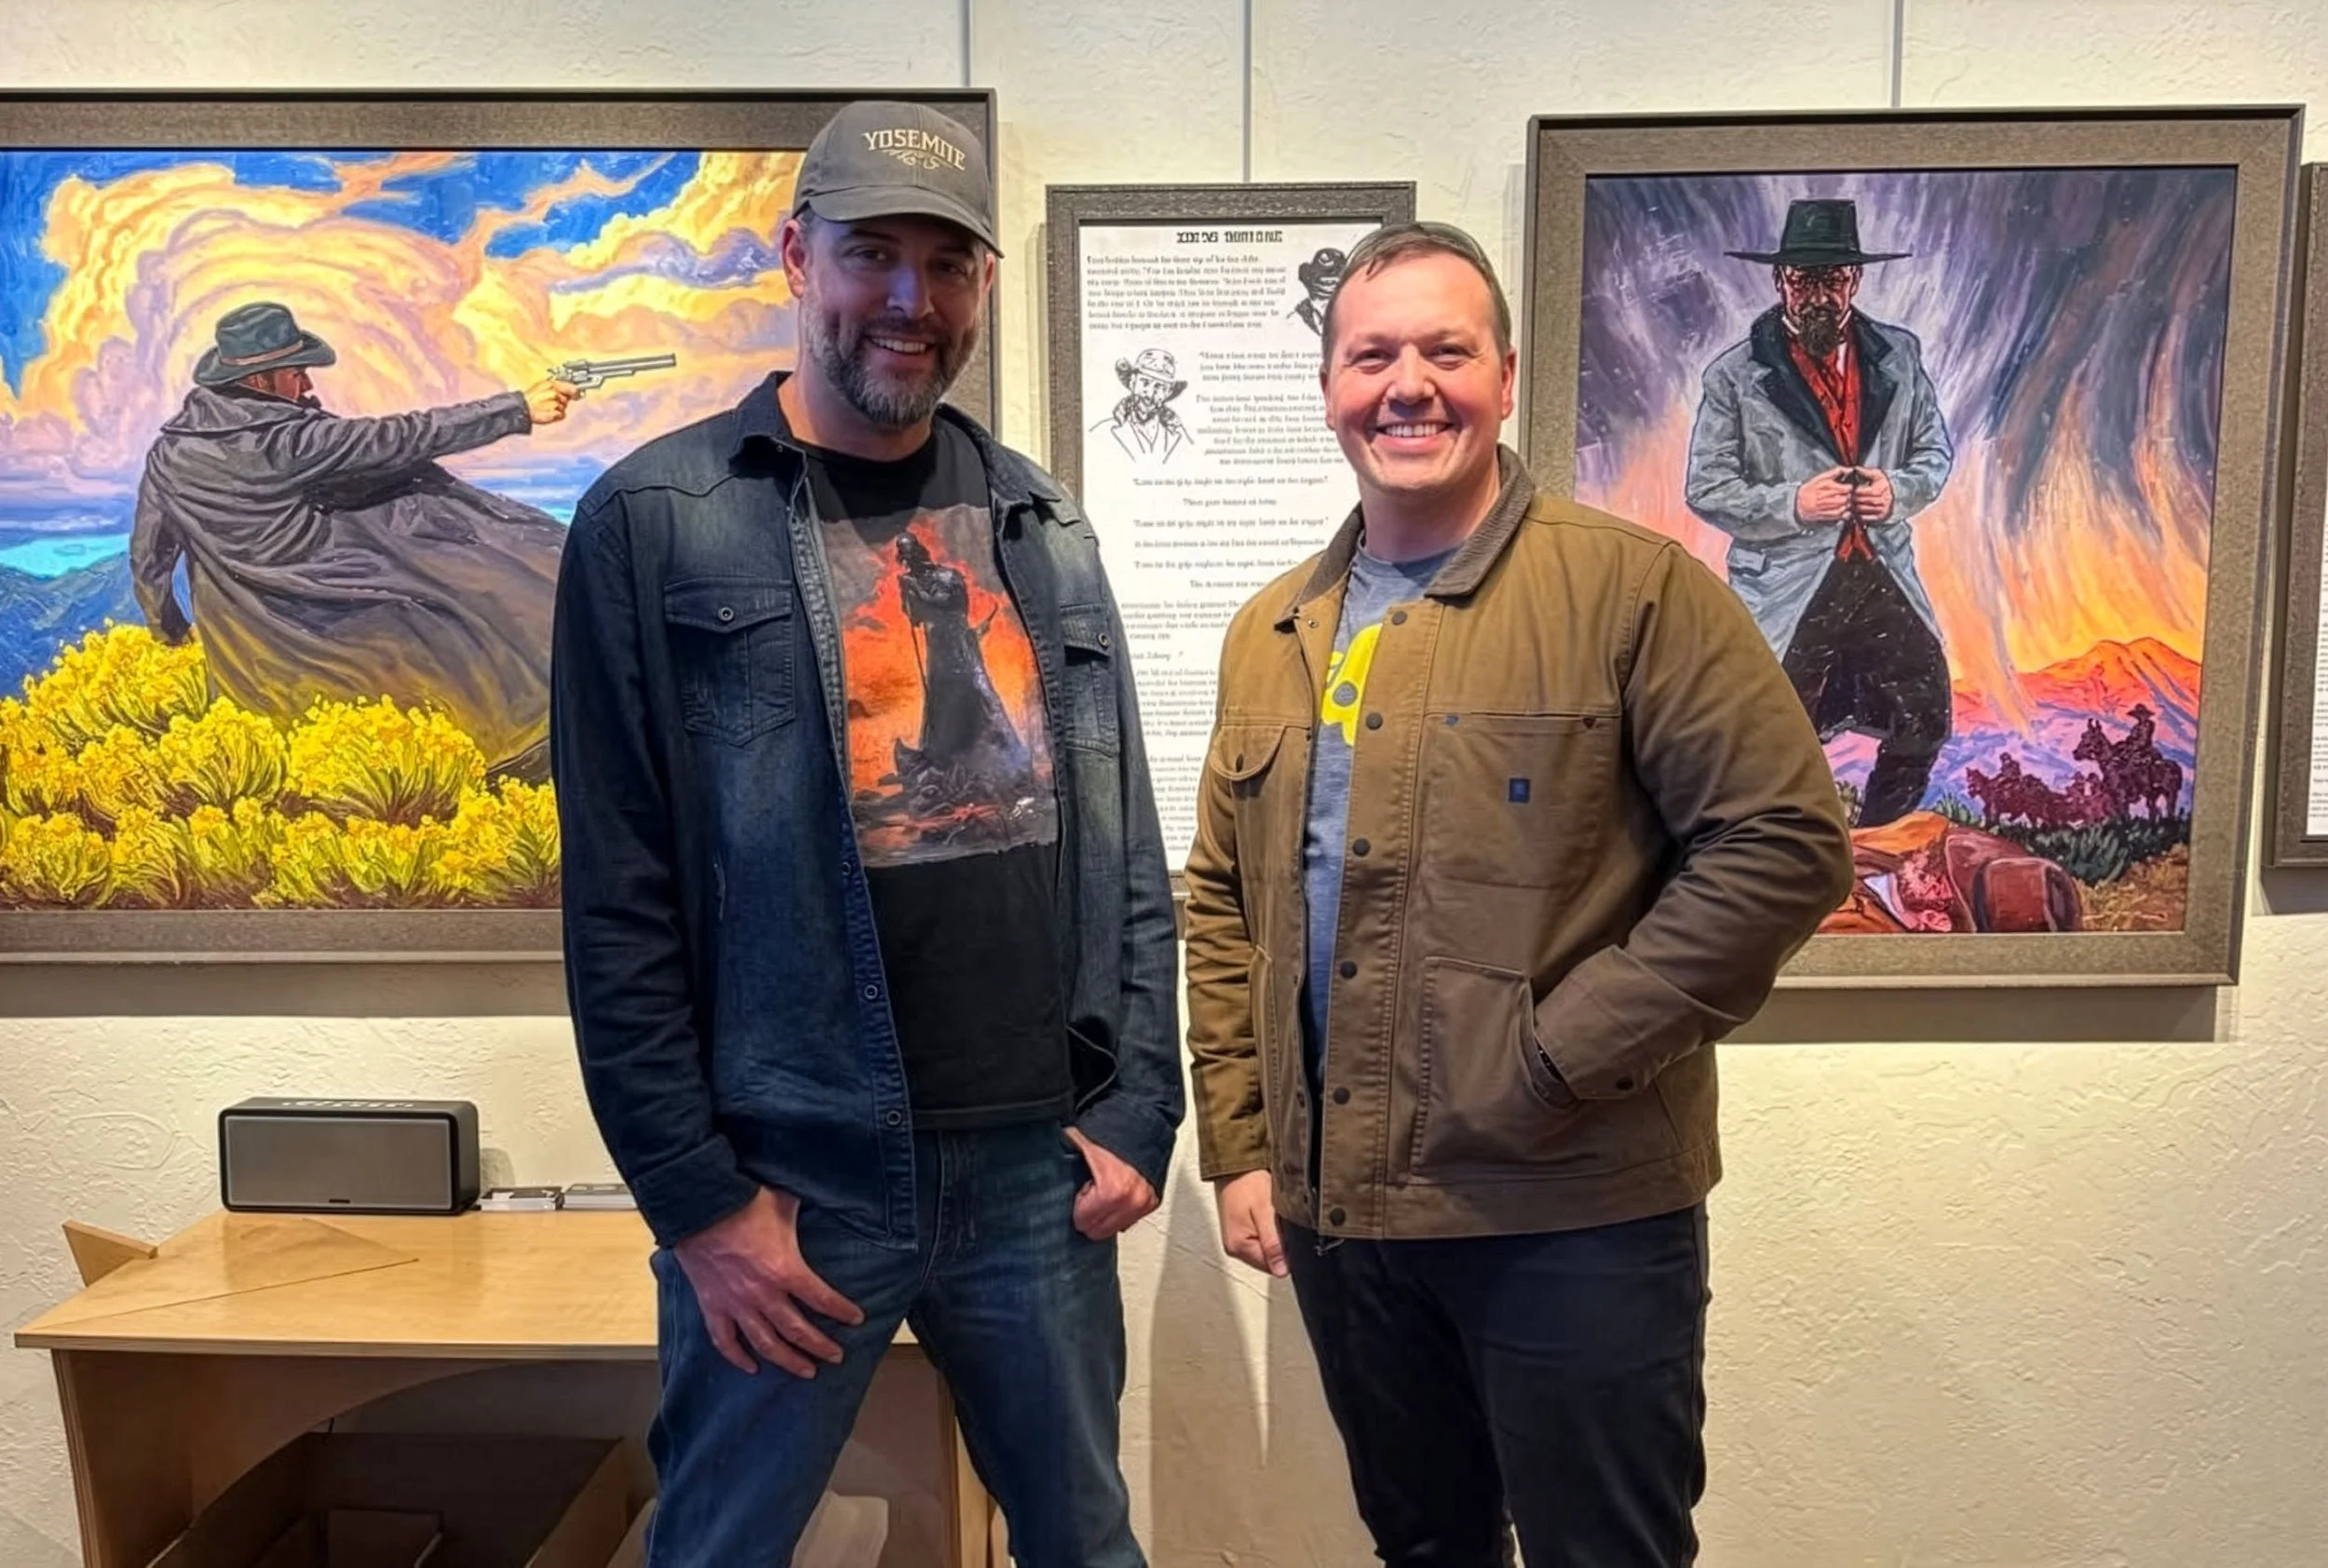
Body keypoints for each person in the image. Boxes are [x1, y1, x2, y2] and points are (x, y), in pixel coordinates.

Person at [550, 100, 1179, 1566]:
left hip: (1038, 1167)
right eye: (871, 254)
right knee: (719, 1548)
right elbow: (618, 905)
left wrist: (1140, 1104)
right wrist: (699, 1203)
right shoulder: (657, 524)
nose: (911, 300)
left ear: (981, 286)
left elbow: (1120, 846)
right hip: (795, 1180)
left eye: (946, 263)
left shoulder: (1043, 527)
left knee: (1087, 1546)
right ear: (795, 256)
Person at [1184, 221, 1855, 1567]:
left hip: (1575, 1215)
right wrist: (1247, 1141)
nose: (1407, 384)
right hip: (1345, 1215)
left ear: (1502, 377)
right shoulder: (1272, 630)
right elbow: (1222, 899)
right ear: (1329, 388)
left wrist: (1552, 1062)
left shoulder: (1632, 590)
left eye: (1445, 349)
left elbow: (1784, 841)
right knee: (1424, 1548)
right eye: (1372, 355)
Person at [130, 300, 575, 777]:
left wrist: (170, 630)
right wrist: (517, 409)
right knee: (472, 606)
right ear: (260, 382)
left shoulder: (168, 454)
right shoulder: (289, 443)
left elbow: (148, 559)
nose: (307, 384)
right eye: (296, 373)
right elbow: (407, 435)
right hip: (326, 636)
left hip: (245, 668)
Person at [1684, 196, 1956, 827]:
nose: (1818, 296)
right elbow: (1707, 486)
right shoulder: (1735, 375)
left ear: (1854, 281)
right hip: (1788, 587)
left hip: (1880, 573)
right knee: (1779, 737)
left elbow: (1934, 453)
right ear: (1780, 280)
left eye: (1832, 280)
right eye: (1803, 280)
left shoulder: (1900, 356)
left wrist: (1898, 491)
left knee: (1926, 713)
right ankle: (1794, 856)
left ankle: (1875, 844)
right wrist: (1795, 503)